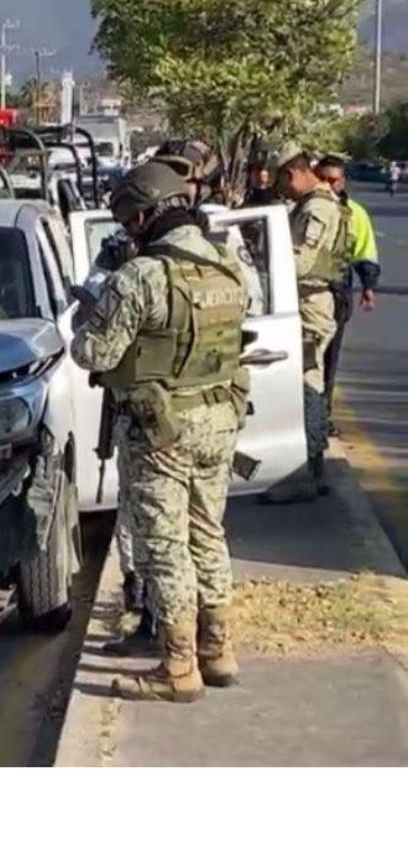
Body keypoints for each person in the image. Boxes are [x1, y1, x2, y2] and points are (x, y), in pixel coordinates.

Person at [71, 160, 249, 702]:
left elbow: (92, 353)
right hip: (220, 418)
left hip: (161, 429)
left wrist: (92, 311)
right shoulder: (227, 263)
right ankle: (217, 650)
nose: (129, 232)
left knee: (165, 545)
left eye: (130, 223)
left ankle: (177, 667)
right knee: (208, 534)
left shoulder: (140, 277)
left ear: (147, 215)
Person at [265, 142, 349, 502]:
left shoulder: (316, 208)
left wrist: (263, 267)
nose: (280, 190)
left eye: (281, 182)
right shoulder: (310, 204)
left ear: (291, 173)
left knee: (305, 385)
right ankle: (307, 469)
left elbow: (299, 262)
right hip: (304, 302)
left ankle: (308, 471)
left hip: (311, 304)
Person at [315, 154, 381, 436]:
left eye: (334, 180)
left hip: (336, 293)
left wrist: (368, 286)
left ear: (343, 181)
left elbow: (364, 251)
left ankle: (321, 416)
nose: (329, 186)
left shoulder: (355, 213)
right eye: (324, 179)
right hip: (302, 294)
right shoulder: (304, 209)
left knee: (329, 358)